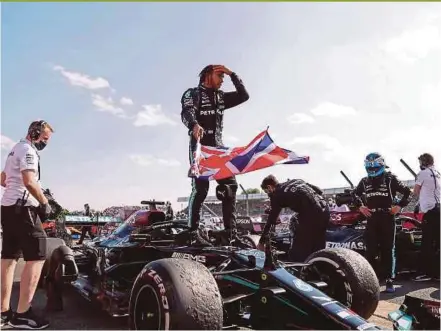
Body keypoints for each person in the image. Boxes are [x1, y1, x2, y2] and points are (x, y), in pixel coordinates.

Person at [181, 64, 249, 245]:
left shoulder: (221, 97)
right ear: (208, 75)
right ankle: (192, 232)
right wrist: (194, 124)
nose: (222, 80)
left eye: (224, 77)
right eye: (220, 76)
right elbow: (186, 111)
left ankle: (230, 233)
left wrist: (232, 73)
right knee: (201, 189)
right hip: (201, 148)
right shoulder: (193, 93)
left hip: (218, 149)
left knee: (230, 187)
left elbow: (244, 96)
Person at [1, 120, 54, 329]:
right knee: (38, 255)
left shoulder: (15, 149)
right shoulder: (29, 151)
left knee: (9, 258)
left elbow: (3, 179)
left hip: (7, 208)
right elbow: (29, 181)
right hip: (23, 209)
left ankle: (3, 312)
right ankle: (22, 314)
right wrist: (44, 202)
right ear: (34, 133)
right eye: (45, 139)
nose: (45, 143)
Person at [353, 152, 411, 293]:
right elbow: (354, 194)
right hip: (372, 218)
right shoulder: (364, 181)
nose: (372, 168)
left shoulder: (391, 178)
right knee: (370, 249)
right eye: (369, 165)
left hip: (387, 217)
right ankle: (370, 279)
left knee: (388, 249)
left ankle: (389, 280)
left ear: (381, 164)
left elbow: (407, 192)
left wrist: (399, 206)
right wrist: (360, 206)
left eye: (374, 165)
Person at [257, 175, 329, 262]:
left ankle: (298, 272)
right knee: (318, 248)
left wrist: (261, 242)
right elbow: (319, 191)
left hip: (310, 214)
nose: (268, 194)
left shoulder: (276, 194)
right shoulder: (296, 180)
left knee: (298, 252)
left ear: (269, 187)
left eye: (266, 191)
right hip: (325, 209)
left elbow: (271, 220)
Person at [412, 153, 440, 281]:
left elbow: (416, 191)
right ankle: (437, 273)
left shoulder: (422, 173)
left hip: (430, 211)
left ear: (424, 162)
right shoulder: (437, 172)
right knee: (438, 242)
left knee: (427, 243)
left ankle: (425, 273)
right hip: (438, 208)